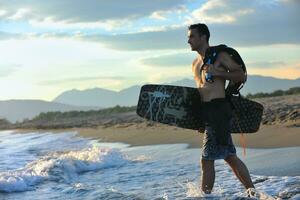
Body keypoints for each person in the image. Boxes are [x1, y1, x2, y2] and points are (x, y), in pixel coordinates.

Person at [187, 23, 255, 194]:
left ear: (203, 37)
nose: (188, 40)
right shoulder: (195, 63)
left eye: (192, 36)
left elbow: (240, 74)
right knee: (229, 157)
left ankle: (205, 197)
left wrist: (218, 73)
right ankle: (253, 193)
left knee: (206, 160)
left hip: (218, 110)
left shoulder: (220, 56)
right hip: (206, 112)